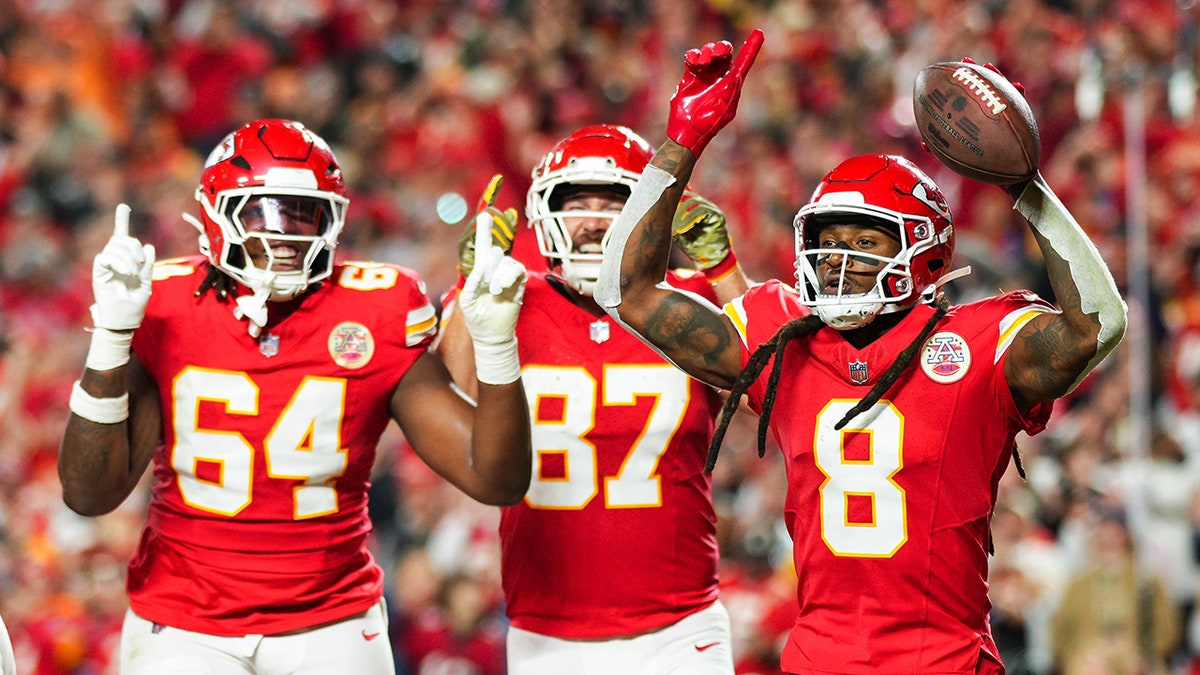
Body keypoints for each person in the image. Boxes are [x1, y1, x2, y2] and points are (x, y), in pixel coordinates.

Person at [596, 31, 1128, 674]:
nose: (838, 259)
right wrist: (681, 143)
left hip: (944, 662)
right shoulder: (782, 336)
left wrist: (1030, 190)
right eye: (826, 239)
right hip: (819, 658)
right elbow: (627, 293)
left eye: (864, 241)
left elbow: (1097, 326)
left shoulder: (978, 342)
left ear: (926, 253)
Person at [58, 118, 532, 674]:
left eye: (302, 214)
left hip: (330, 618)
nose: (284, 236)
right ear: (215, 214)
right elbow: (88, 495)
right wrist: (112, 339)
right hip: (184, 621)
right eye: (261, 213)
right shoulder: (162, 300)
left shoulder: (376, 306)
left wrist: (496, 343)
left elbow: (494, 476)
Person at [436, 123, 750, 674]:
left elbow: (772, 390)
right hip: (547, 627)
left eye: (618, 201)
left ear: (649, 215)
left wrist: (723, 270)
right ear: (544, 214)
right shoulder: (511, 298)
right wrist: (472, 282)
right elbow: (452, 396)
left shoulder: (686, 298)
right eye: (576, 201)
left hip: (680, 624)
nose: (596, 220)